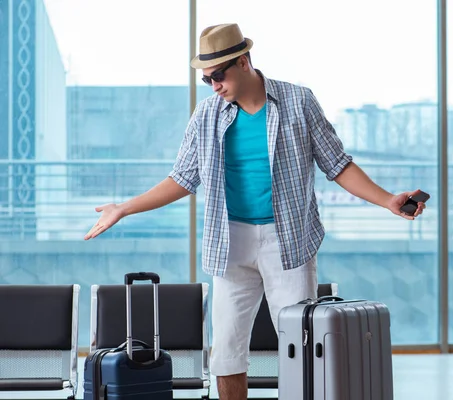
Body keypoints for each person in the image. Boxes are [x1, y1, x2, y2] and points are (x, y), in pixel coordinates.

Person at [84, 23, 426, 400]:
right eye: (206, 79)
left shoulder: (298, 101)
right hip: (230, 242)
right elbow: (182, 178)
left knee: (301, 346)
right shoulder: (207, 114)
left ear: (244, 61)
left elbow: (337, 165)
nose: (214, 85)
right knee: (226, 353)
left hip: (289, 241)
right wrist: (124, 208)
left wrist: (387, 200)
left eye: (219, 75)